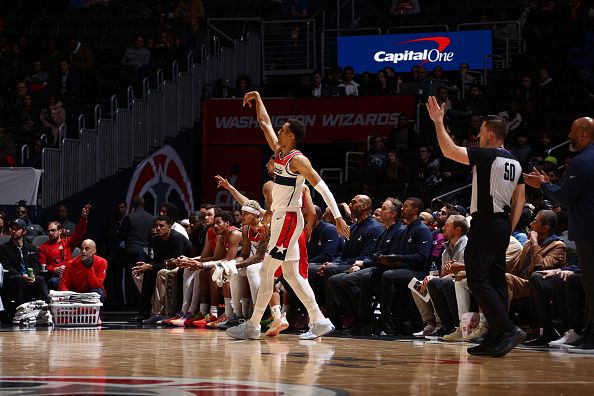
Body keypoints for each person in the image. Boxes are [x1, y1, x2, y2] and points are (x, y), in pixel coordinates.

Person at [227, 91, 350, 341]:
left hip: (289, 220)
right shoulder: (278, 151)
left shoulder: (298, 160)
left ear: (291, 136)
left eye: (282, 130)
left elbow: (322, 187)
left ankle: (252, 326)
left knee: (266, 272)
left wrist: (337, 216)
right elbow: (264, 124)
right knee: (292, 275)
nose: (278, 131)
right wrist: (259, 99)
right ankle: (319, 320)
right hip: (284, 219)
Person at [427, 96, 526, 357]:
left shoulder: (486, 156)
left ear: (491, 135)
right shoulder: (516, 162)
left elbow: (449, 151)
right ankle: (495, 335)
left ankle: (506, 329)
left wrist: (438, 122)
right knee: (495, 281)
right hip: (502, 224)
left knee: (478, 278)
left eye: (480, 133)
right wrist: (507, 226)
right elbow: (521, 199)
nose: (477, 137)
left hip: (486, 223)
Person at [524, 116, 594, 353]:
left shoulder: (582, 161)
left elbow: (564, 197)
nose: (569, 136)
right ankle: (587, 334)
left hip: (588, 231)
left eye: (573, 131)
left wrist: (542, 185)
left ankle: (590, 337)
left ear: (584, 134)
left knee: (591, 285)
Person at [0, 219, 49, 321]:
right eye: (12, 229)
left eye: (17, 229)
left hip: (30, 277)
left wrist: (33, 275)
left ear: (24, 232)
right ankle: (20, 312)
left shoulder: (31, 248)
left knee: (40, 279)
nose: (13, 231)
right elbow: (7, 266)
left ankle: (44, 311)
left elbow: (36, 264)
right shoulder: (4, 248)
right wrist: (23, 276)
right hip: (13, 278)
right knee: (18, 279)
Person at [37, 204, 91, 290]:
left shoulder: (68, 242)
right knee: (56, 282)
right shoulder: (43, 247)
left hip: (70, 274)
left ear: (60, 231)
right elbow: (42, 266)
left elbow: (79, 232)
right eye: (49, 231)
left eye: (53, 230)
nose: (50, 233)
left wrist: (84, 218)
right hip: (55, 277)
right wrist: (54, 269)